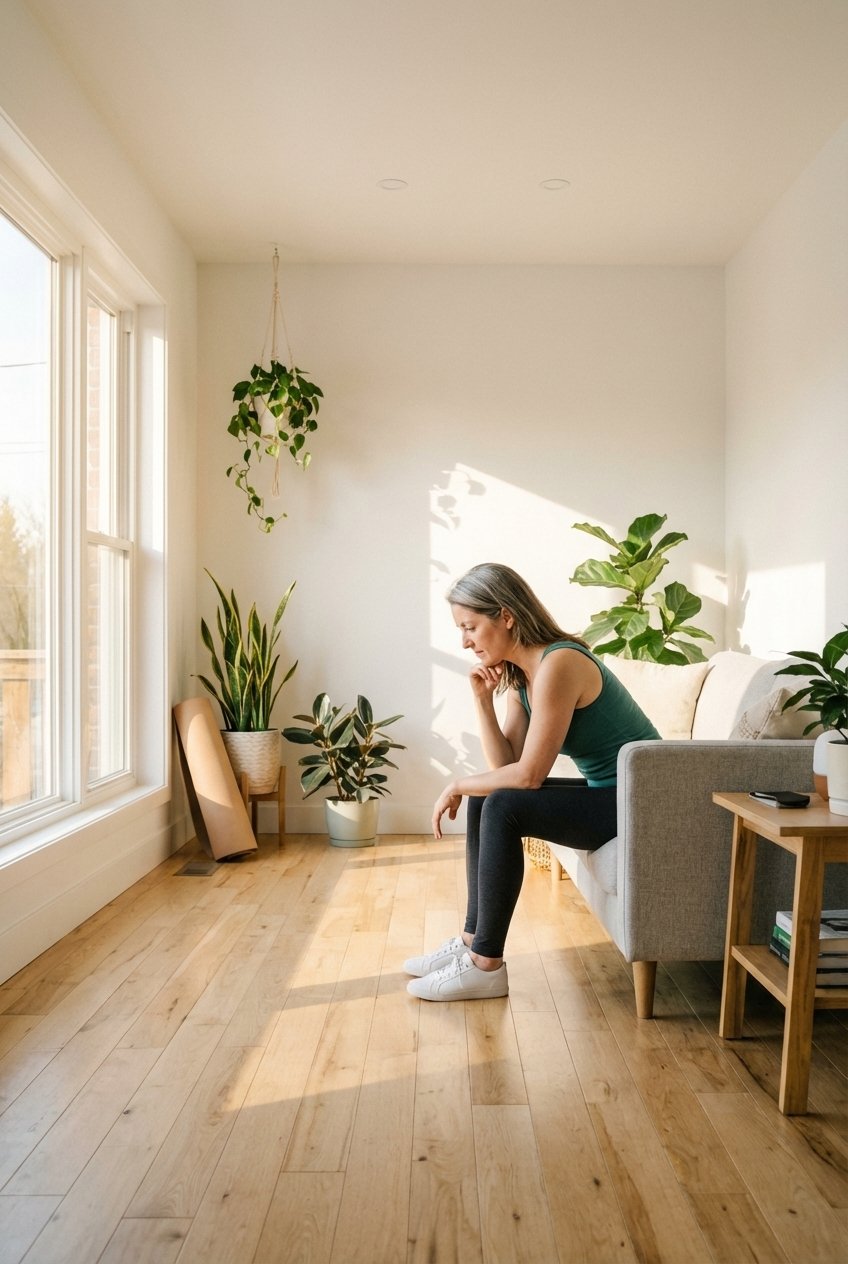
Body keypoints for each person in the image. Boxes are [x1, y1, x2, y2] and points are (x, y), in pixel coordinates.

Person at [404, 562, 660, 1002]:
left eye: (470, 627)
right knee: (491, 799)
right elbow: (509, 762)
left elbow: (529, 776)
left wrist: (458, 783)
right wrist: (483, 702)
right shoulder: (524, 674)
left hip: (642, 799)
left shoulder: (560, 663)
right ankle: (471, 944)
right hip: (612, 794)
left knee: (500, 803)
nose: (464, 641)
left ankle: (486, 966)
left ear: (505, 616)